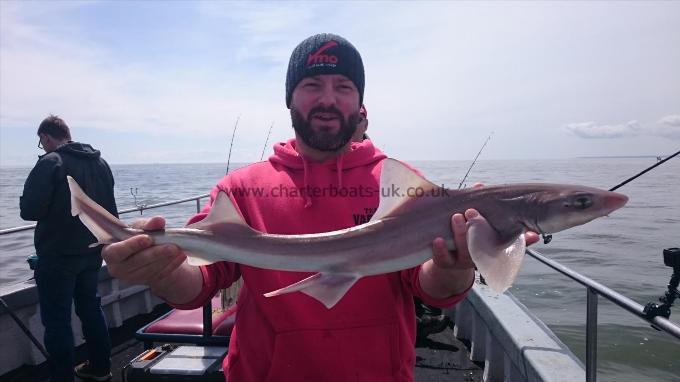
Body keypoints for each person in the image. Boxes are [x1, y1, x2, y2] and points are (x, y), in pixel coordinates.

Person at [102, 33, 538, 381]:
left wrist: (456, 265)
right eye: (312, 85)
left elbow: (428, 287)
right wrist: (159, 271)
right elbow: (198, 284)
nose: (328, 99)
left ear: (359, 103)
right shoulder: (242, 188)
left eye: (343, 87)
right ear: (290, 98)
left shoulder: (398, 182)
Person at [20, 115, 117, 382]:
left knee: (57, 320)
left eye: (42, 142)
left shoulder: (50, 162)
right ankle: (100, 368)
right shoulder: (100, 163)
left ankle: (62, 378)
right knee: (90, 308)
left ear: (46, 137)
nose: (43, 147)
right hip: (92, 253)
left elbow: (29, 210)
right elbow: (111, 210)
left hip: (58, 256)